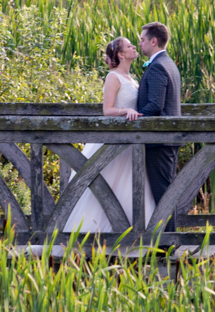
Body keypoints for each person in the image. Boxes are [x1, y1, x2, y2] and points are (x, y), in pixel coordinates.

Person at [62, 37, 155, 232]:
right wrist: (125, 112)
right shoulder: (113, 77)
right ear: (121, 55)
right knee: (105, 188)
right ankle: (94, 235)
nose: (133, 47)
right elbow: (107, 110)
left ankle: (131, 235)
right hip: (114, 142)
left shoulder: (131, 78)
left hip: (130, 143)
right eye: (129, 46)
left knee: (128, 189)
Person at [136, 21, 181, 226]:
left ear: (153, 41)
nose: (139, 44)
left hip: (159, 139)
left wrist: (135, 119)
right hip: (167, 137)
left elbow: (155, 104)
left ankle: (169, 243)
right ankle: (169, 239)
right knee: (165, 190)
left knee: (162, 193)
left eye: (142, 39)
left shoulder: (158, 67)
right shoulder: (168, 63)